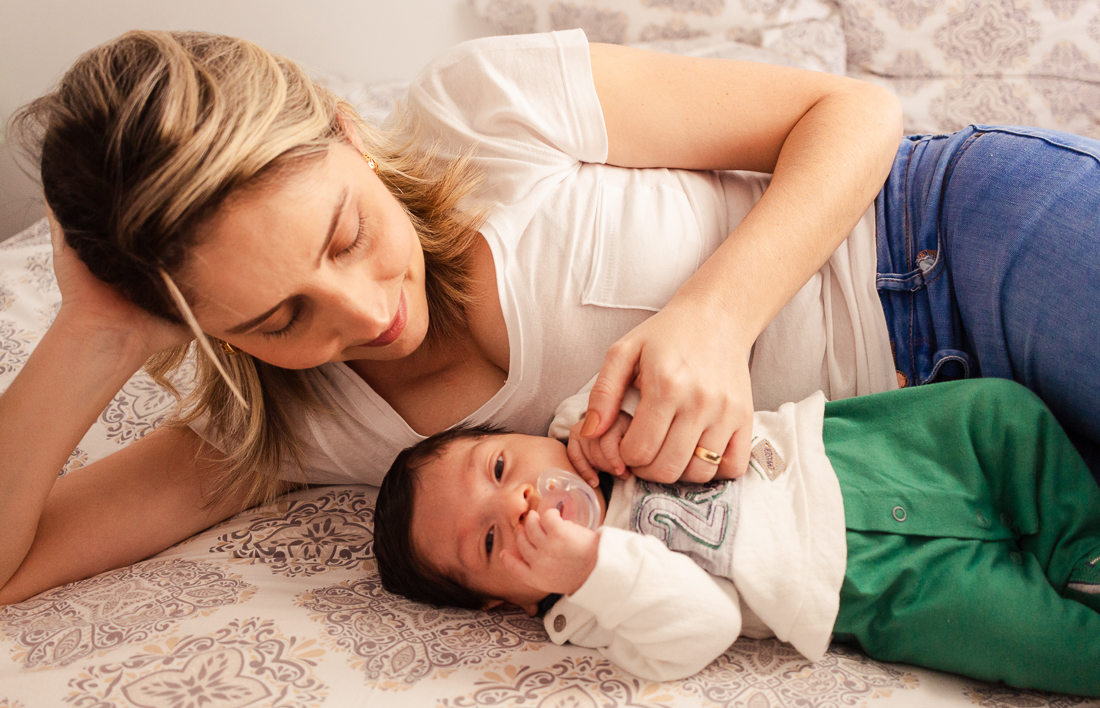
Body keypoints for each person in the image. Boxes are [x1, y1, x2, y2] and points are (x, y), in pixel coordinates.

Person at [2, 26, 1099, 605]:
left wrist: (713, 318)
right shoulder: (292, 429)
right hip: (951, 462)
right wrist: (97, 326)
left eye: (341, 235)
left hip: (946, 239)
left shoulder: (480, 111)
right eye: (277, 314)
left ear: (343, 129)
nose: (366, 312)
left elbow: (850, 109)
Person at [373, 378, 1100, 695]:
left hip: (856, 452)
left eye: (500, 465)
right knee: (1027, 637)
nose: (521, 501)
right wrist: (593, 563)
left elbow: (677, 379)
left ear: (517, 431)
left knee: (1001, 414)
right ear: (501, 603)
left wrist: (608, 420)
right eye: (493, 543)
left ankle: (1082, 551)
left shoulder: (588, 422)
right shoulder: (593, 612)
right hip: (870, 584)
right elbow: (709, 621)